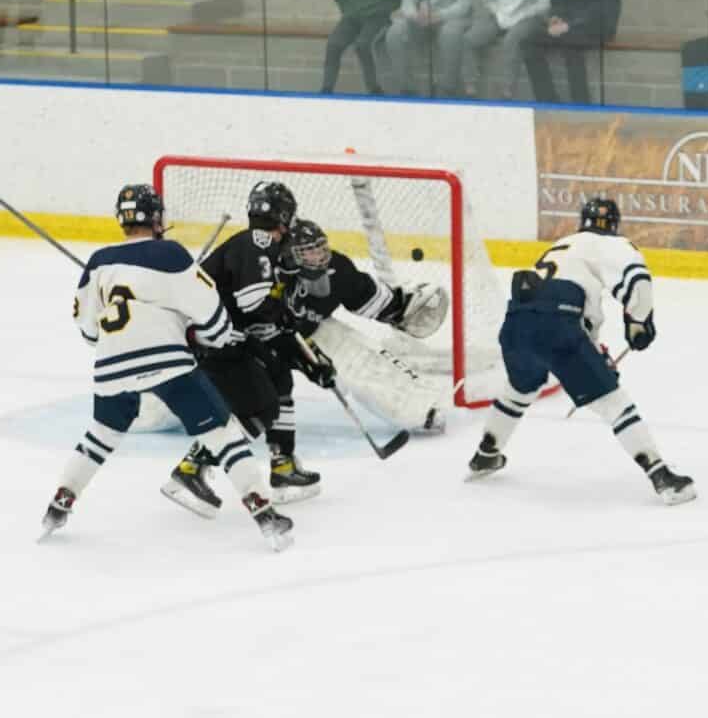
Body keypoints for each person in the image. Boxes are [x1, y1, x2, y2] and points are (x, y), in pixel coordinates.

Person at [41, 184, 294, 551]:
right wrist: (200, 332)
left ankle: (59, 505)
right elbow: (214, 322)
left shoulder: (98, 262)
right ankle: (264, 512)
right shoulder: (171, 255)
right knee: (222, 434)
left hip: (111, 364)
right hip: (168, 363)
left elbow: (89, 332)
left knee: (101, 434)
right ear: (157, 217)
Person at [466, 198, 696, 506]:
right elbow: (637, 282)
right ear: (614, 224)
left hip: (516, 323)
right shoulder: (613, 244)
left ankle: (485, 455)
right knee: (615, 404)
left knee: (520, 388)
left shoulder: (563, 245)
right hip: (559, 322)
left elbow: (560, 307)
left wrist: (594, 352)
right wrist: (639, 324)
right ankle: (662, 477)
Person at [198, 182, 333, 504]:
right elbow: (255, 305)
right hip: (211, 339)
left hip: (222, 334)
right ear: (284, 216)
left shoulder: (264, 249)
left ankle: (282, 464)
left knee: (280, 376)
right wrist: (286, 324)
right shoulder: (257, 244)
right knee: (262, 404)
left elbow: (262, 317)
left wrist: (306, 356)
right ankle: (193, 466)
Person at [280, 219, 450, 432]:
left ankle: (418, 411)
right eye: (308, 252)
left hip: (312, 330)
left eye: (320, 248)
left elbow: (363, 296)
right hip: (266, 339)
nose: (319, 256)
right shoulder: (270, 274)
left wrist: (398, 307)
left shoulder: (337, 268)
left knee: (360, 359)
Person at [519, 0, 621, 104]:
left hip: (599, 23)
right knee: (529, 41)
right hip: (569, 24)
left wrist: (569, 25)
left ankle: (581, 102)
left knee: (572, 42)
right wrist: (555, 17)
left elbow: (601, 9)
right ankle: (547, 100)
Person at [462, 0, 551, 99]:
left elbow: (544, 3)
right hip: (500, 15)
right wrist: (499, 13)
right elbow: (488, 0)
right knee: (469, 39)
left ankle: (507, 91)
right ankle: (470, 88)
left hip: (529, 17)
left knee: (511, 40)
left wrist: (522, 14)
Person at [385, 0, 474, 97]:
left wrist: (439, 15)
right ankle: (407, 89)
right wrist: (415, 15)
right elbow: (407, 4)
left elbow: (464, 5)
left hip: (452, 16)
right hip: (421, 16)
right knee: (394, 34)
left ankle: (447, 88)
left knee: (449, 34)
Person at [321, 0, 402, 95]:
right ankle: (326, 89)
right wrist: (348, 11)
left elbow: (396, 0)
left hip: (377, 18)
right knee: (333, 44)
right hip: (351, 18)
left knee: (363, 45)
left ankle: (374, 89)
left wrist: (378, 10)